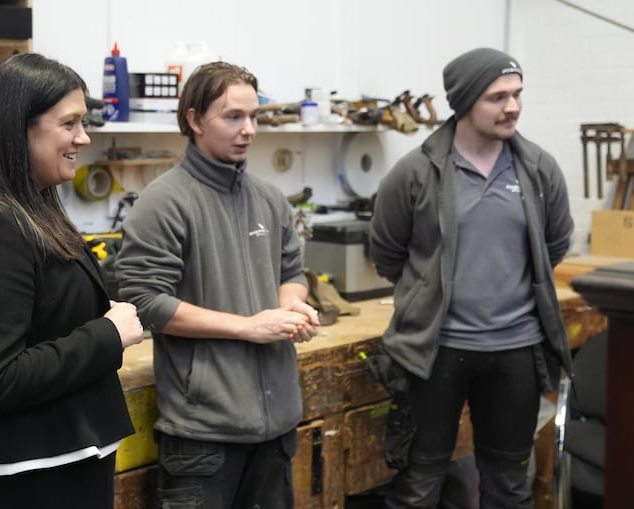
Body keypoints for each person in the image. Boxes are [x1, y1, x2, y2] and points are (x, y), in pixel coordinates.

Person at [0, 53, 144, 509]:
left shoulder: (32, 208)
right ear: (20, 126)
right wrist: (108, 335)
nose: (83, 137)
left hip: (57, 459)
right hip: (23, 477)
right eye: (70, 123)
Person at [368, 47, 574, 508]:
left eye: (517, 94)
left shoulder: (538, 169)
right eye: (497, 97)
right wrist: (428, 293)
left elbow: (554, 244)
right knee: (419, 485)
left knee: (508, 486)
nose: (513, 107)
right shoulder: (416, 172)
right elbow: (386, 252)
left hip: (515, 351)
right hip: (435, 352)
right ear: (463, 104)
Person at [115, 61, 320, 508]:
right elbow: (144, 303)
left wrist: (291, 308)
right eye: (232, 117)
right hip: (204, 437)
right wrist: (247, 326)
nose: (248, 129)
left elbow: (291, 272)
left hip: (277, 429)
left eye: (254, 117)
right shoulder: (164, 202)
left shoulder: (269, 199)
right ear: (194, 120)